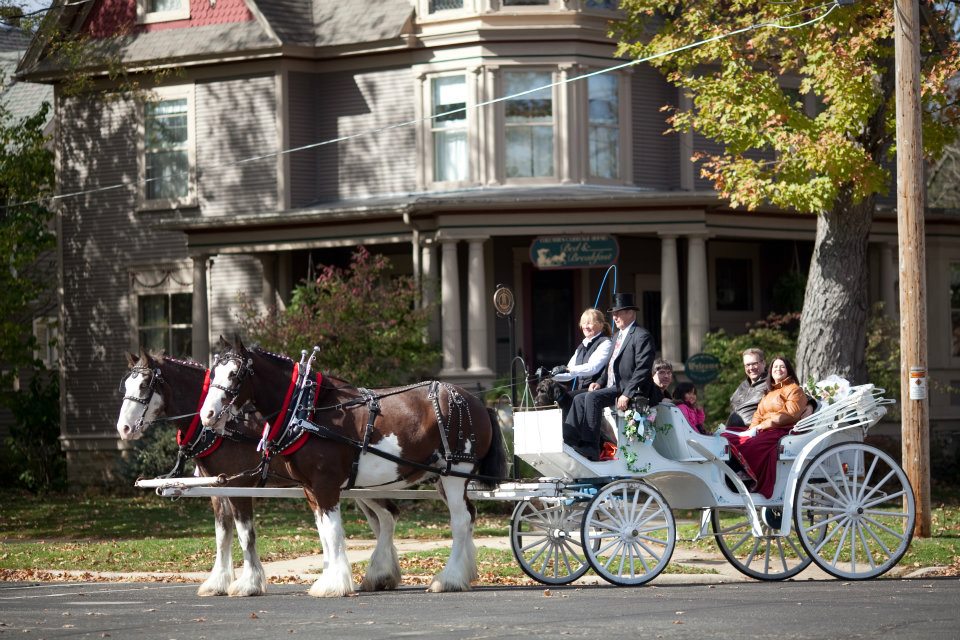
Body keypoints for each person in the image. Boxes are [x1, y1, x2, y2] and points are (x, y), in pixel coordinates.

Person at [562, 292, 661, 460]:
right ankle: (571, 440)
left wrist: (627, 393)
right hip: (613, 387)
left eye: (618, 313)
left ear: (630, 313)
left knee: (592, 399)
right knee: (579, 399)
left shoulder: (641, 336)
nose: (614, 317)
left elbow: (642, 370)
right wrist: (599, 383)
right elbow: (610, 365)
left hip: (630, 389)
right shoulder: (616, 337)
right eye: (613, 314)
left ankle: (592, 447)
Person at [721, 355, 807, 498]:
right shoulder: (769, 393)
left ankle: (748, 476)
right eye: (775, 367)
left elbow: (791, 414)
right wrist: (750, 430)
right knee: (729, 435)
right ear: (771, 371)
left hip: (782, 430)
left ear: (788, 370)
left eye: (782, 366)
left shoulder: (794, 389)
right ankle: (735, 472)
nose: (778, 370)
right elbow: (758, 415)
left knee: (751, 444)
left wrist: (762, 426)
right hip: (764, 429)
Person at [548, 308, 613, 391]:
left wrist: (567, 369)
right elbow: (569, 374)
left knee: (570, 399)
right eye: (583, 323)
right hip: (582, 390)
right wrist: (549, 374)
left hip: (596, 389)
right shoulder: (581, 347)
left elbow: (593, 368)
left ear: (600, 324)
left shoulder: (605, 343)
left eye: (589, 323)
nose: (585, 327)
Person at [727, 348, 767, 428]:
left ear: (763, 363)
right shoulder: (743, 385)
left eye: (754, 363)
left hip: (753, 433)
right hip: (732, 432)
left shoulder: (771, 383)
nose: (751, 368)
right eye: (748, 365)